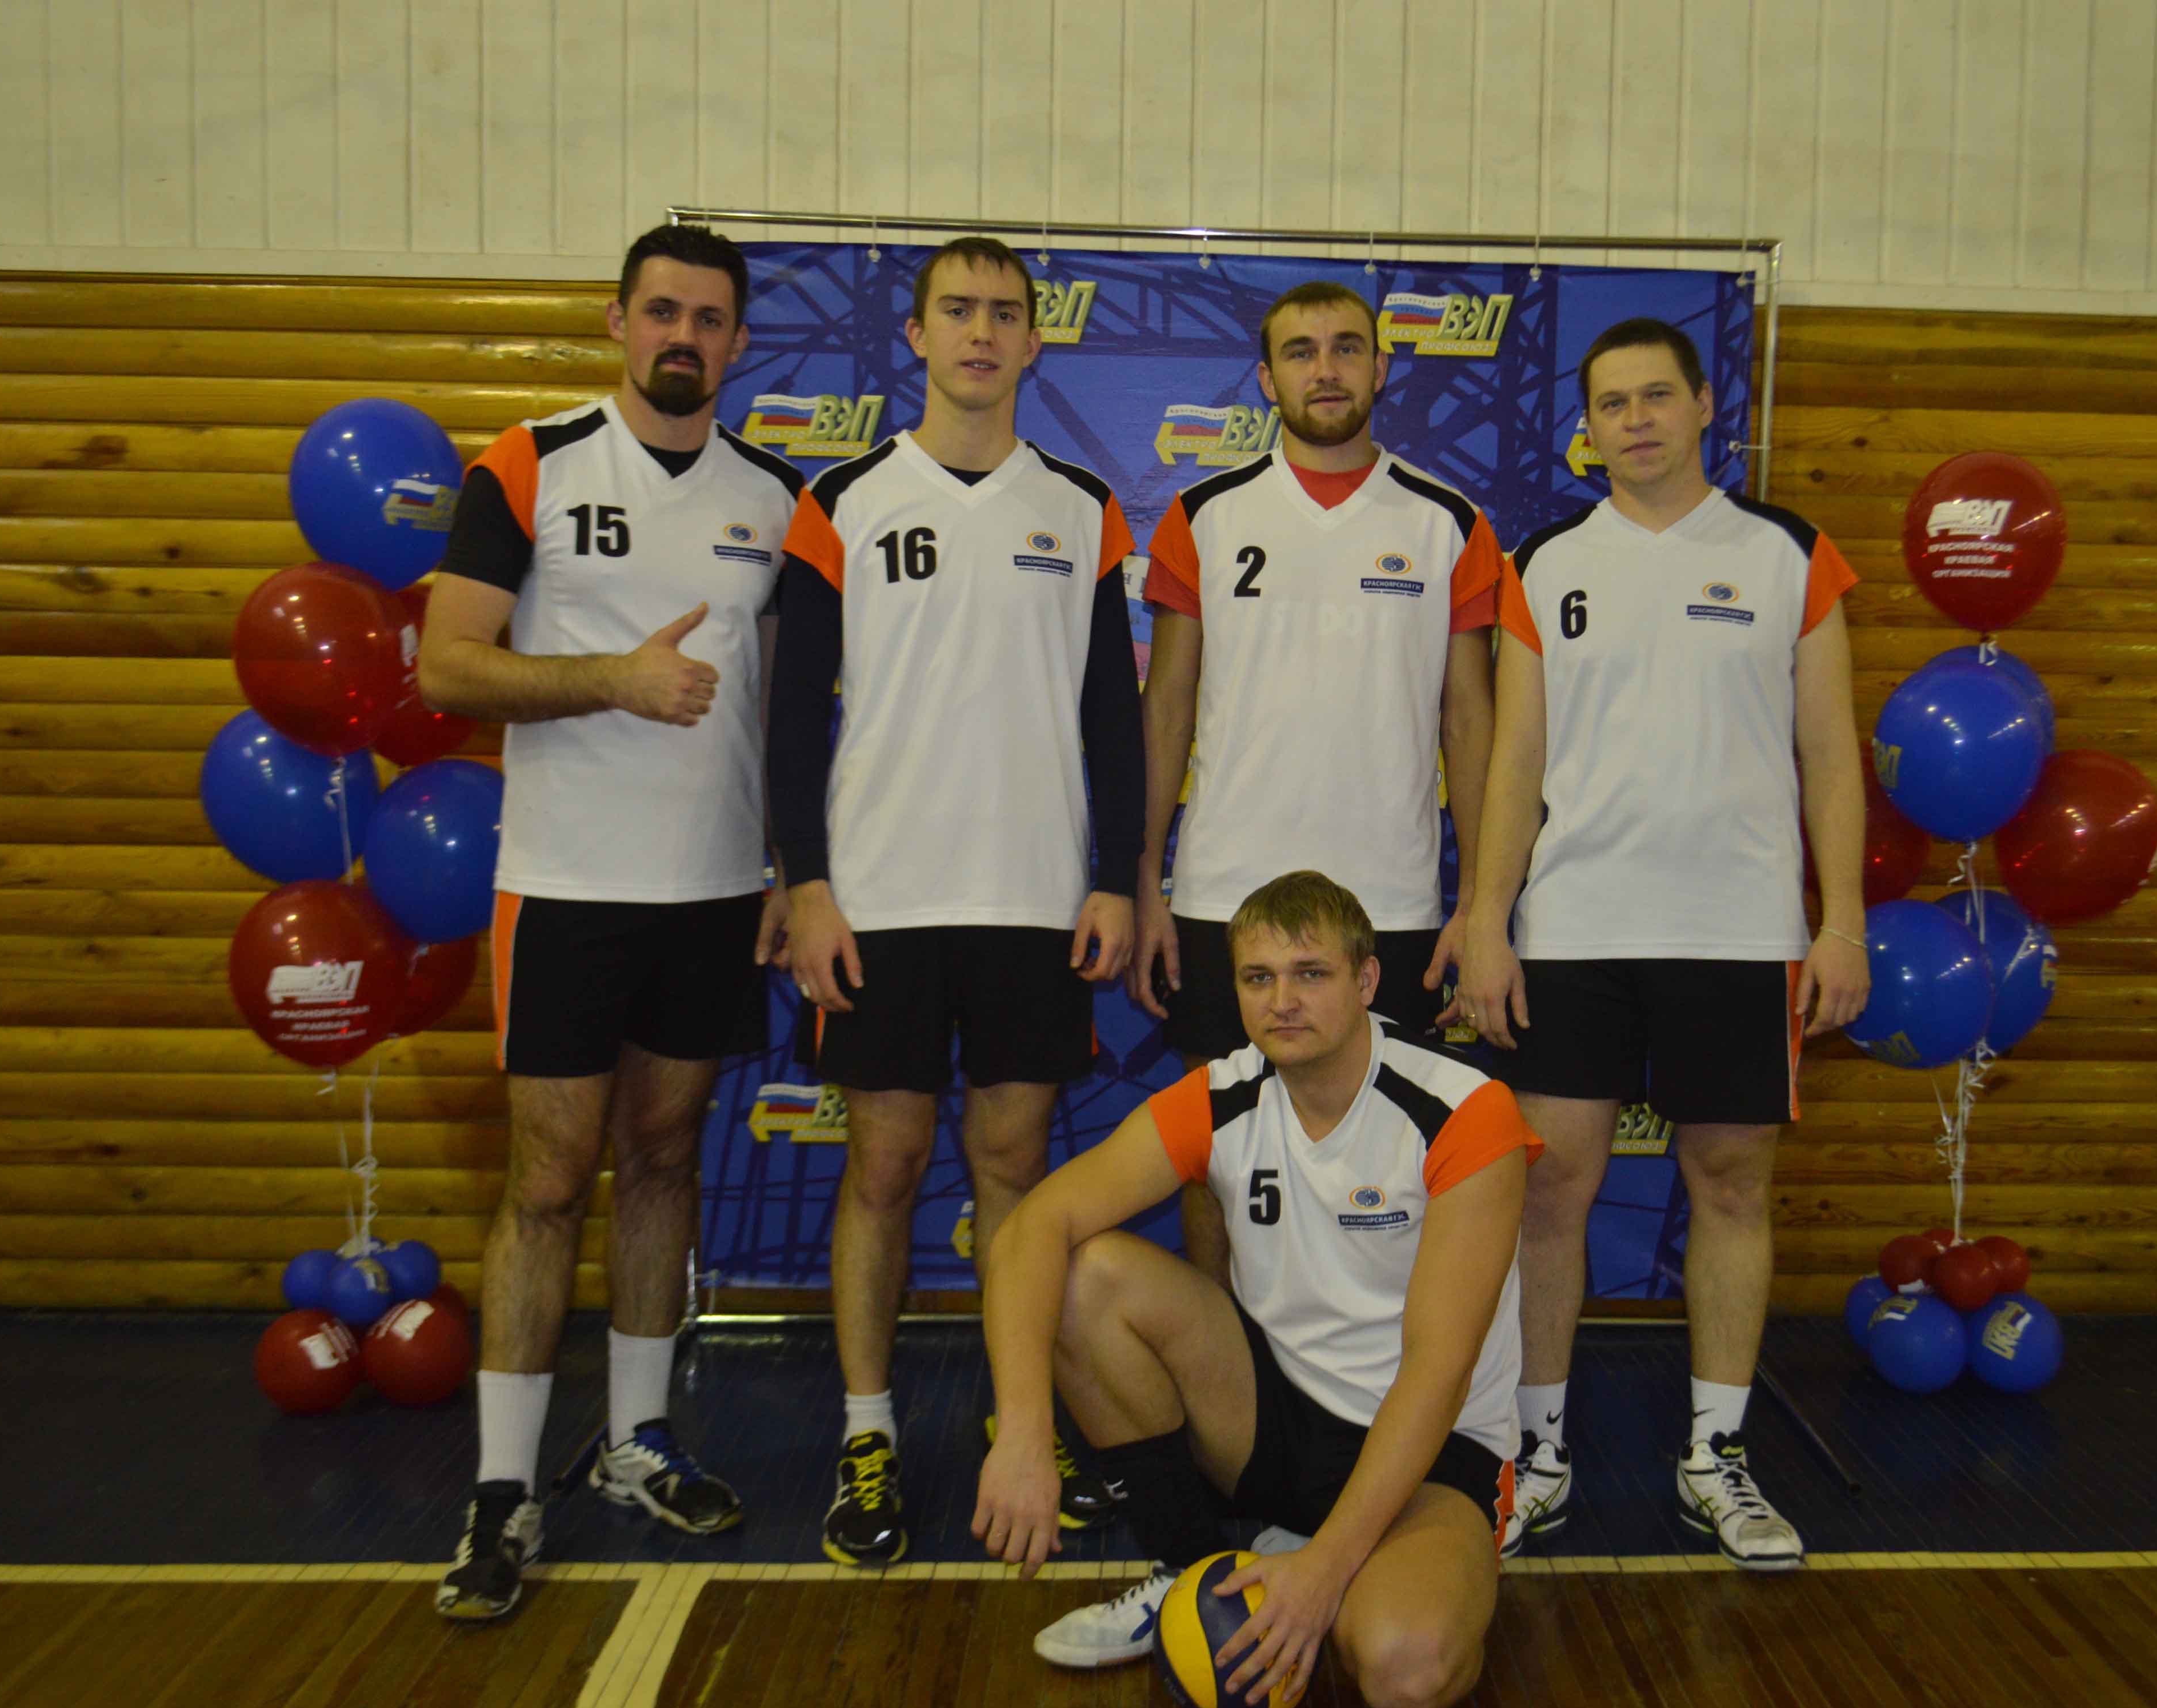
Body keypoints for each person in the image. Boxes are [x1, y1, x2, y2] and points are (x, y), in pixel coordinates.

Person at [417, 223, 803, 1619]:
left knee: (661, 1161)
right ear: (618, 322)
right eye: (661, 312)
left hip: (711, 891)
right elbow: (448, 666)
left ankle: (638, 1441)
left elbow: (780, 705)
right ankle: (500, 1490)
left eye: (708, 317)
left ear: (738, 342)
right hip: (566, 889)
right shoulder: (527, 464)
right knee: (545, 1181)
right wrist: (613, 682)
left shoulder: (776, 496)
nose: (682, 336)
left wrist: (787, 866)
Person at [1455, 316, 1871, 1571]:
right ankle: (1537, 1453)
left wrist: (1841, 922)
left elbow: (1830, 754)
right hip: (1575, 929)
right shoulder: (1546, 562)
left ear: (1702, 408)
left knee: (1731, 1184)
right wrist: (1487, 920)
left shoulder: (1789, 553)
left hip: (1740, 933)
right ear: (1588, 429)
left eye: (1655, 396)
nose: (1634, 420)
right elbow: (1515, 760)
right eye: (1611, 403)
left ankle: (1717, 1457)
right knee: (1550, 1193)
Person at [768, 236, 1145, 1566]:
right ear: (916, 335)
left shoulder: (1084, 508)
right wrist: (808, 886)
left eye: (1004, 313)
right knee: (881, 1168)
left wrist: (1116, 877)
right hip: (879, 901)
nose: (981, 333)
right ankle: (867, 1434)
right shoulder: (844, 498)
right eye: (957, 311)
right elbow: (791, 714)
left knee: (1013, 1175)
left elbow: (1113, 717)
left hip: (1034, 904)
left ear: (1036, 341)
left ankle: (1018, 1423)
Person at [977, 871, 1535, 1708]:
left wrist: (1326, 1571)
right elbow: (1031, 1229)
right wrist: (1024, 1430)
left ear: (1366, 981)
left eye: (1311, 973)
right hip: (1274, 1415)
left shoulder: (1464, 1112)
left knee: (1405, 1669)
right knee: (1085, 1277)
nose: (1284, 1002)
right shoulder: (1225, 1094)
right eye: (1258, 977)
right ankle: (1190, 1573)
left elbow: (1438, 1371)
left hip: (1432, 1451)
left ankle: (1342, 1563)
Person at [1131, 280, 1502, 1286]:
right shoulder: (1203, 516)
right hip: (1224, 896)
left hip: (1390, 903)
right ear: (1267, 378)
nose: (1326, 369)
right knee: (1219, 1160)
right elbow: (1165, 710)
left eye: (1346, 348)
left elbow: (1472, 723)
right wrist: (1143, 881)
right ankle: (1227, 1374)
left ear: (1382, 367)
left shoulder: (1448, 521)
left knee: (1381, 1164)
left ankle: (1365, 1370)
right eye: (1301, 351)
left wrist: (1480, 902)